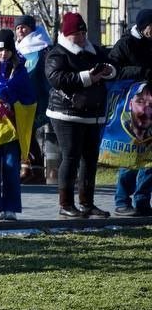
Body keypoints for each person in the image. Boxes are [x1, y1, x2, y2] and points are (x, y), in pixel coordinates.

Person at [45, 11, 116, 218]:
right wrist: (88, 77)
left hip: (93, 112)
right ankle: (66, 204)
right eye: (77, 34)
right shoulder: (57, 53)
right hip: (66, 113)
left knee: (90, 160)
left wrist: (107, 71)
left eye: (84, 33)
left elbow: (114, 67)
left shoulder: (95, 51)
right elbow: (57, 78)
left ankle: (87, 203)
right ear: (67, 34)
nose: (82, 37)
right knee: (71, 156)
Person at [0, 29, 36, 221]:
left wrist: (8, 98)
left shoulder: (20, 70)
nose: (3, 54)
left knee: (12, 167)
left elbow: (27, 94)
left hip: (13, 127)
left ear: (12, 50)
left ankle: (11, 207)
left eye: (6, 50)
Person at [107, 8, 152, 215]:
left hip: (150, 107)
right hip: (131, 106)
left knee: (149, 156)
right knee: (130, 154)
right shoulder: (125, 44)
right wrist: (141, 72)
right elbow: (113, 70)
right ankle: (122, 201)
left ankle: (142, 200)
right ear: (143, 27)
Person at [15, 13, 53, 184]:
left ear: (32, 29)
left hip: (39, 96)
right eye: (18, 28)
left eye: (24, 27)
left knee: (28, 131)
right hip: (21, 97)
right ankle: (31, 168)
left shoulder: (43, 47)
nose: (20, 31)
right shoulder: (18, 48)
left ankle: (34, 169)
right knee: (24, 132)